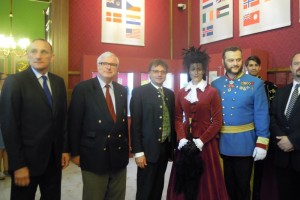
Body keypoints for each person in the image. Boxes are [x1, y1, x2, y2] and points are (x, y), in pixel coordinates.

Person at [0, 39, 70, 200]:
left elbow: (62, 119)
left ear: (52, 57)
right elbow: (9, 126)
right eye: (33, 51)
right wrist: (17, 165)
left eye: (44, 52)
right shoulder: (14, 82)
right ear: (27, 55)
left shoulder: (58, 82)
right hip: (26, 163)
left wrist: (65, 149)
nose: (38, 56)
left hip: (54, 161)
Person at [167, 46, 228, 200]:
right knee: (183, 178)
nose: (196, 72)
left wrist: (201, 141)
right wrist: (181, 139)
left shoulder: (212, 92)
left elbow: (217, 121)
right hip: (185, 141)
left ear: (203, 70)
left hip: (205, 142)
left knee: (206, 178)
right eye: (193, 69)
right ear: (189, 70)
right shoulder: (181, 92)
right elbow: (177, 118)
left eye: (199, 69)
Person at [68, 52, 129, 200]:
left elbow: (122, 123)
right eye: (104, 63)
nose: (108, 67)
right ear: (98, 65)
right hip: (93, 154)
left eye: (113, 64)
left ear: (117, 68)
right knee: (94, 196)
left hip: (118, 154)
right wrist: (74, 153)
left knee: (117, 196)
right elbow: (74, 123)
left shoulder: (122, 90)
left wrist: (128, 147)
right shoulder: (83, 89)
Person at [211, 46, 270, 200]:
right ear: (223, 61)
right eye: (231, 60)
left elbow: (261, 113)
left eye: (238, 59)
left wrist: (262, 143)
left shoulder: (255, 83)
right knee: (226, 185)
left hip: (245, 143)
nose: (235, 63)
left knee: (243, 186)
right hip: (221, 143)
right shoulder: (216, 84)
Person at [130, 59, 176, 200]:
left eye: (163, 72)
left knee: (158, 186)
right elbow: (135, 124)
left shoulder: (170, 94)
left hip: (164, 148)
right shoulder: (139, 92)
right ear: (149, 73)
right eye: (156, 71)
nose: (159, 74)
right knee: (145, 188)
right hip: (147, 149)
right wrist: (138, 152)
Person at [245, 55, 277, 200]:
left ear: (260, 67)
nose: (253, 67)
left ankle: (257, 195)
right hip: (246, 131)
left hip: (264, 131)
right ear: (246, 67)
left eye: (255, 65)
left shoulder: (270, 87)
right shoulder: (242, 86)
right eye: (250, 65)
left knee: (260, 168)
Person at [270, 53, 300, 200]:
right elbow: (272, 117)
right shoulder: (281, 91)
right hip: (282, 157)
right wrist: (282, 139)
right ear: (290, 67)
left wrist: (293, 141)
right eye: (296, 63)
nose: (299, 66)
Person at [0, 72, 9, 180]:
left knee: (6, 147)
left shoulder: (6, 92)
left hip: (7, 124)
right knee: (0, 148)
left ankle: (7, 170)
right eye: (5, 79)